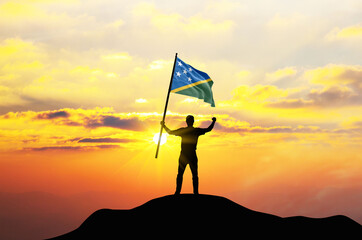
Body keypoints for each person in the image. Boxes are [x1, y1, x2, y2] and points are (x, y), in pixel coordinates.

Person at [161, 115, 216, 195]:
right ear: (192, 122)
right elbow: (208, 129)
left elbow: (170, 132)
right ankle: (188, 192)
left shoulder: (189, 131)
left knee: (186, 174)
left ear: (187, 122)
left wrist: (163, 126)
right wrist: (213, 121)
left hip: (186, 155)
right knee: (188, 175)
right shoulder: (195, 131)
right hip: (188, 155)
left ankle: (184, 192)